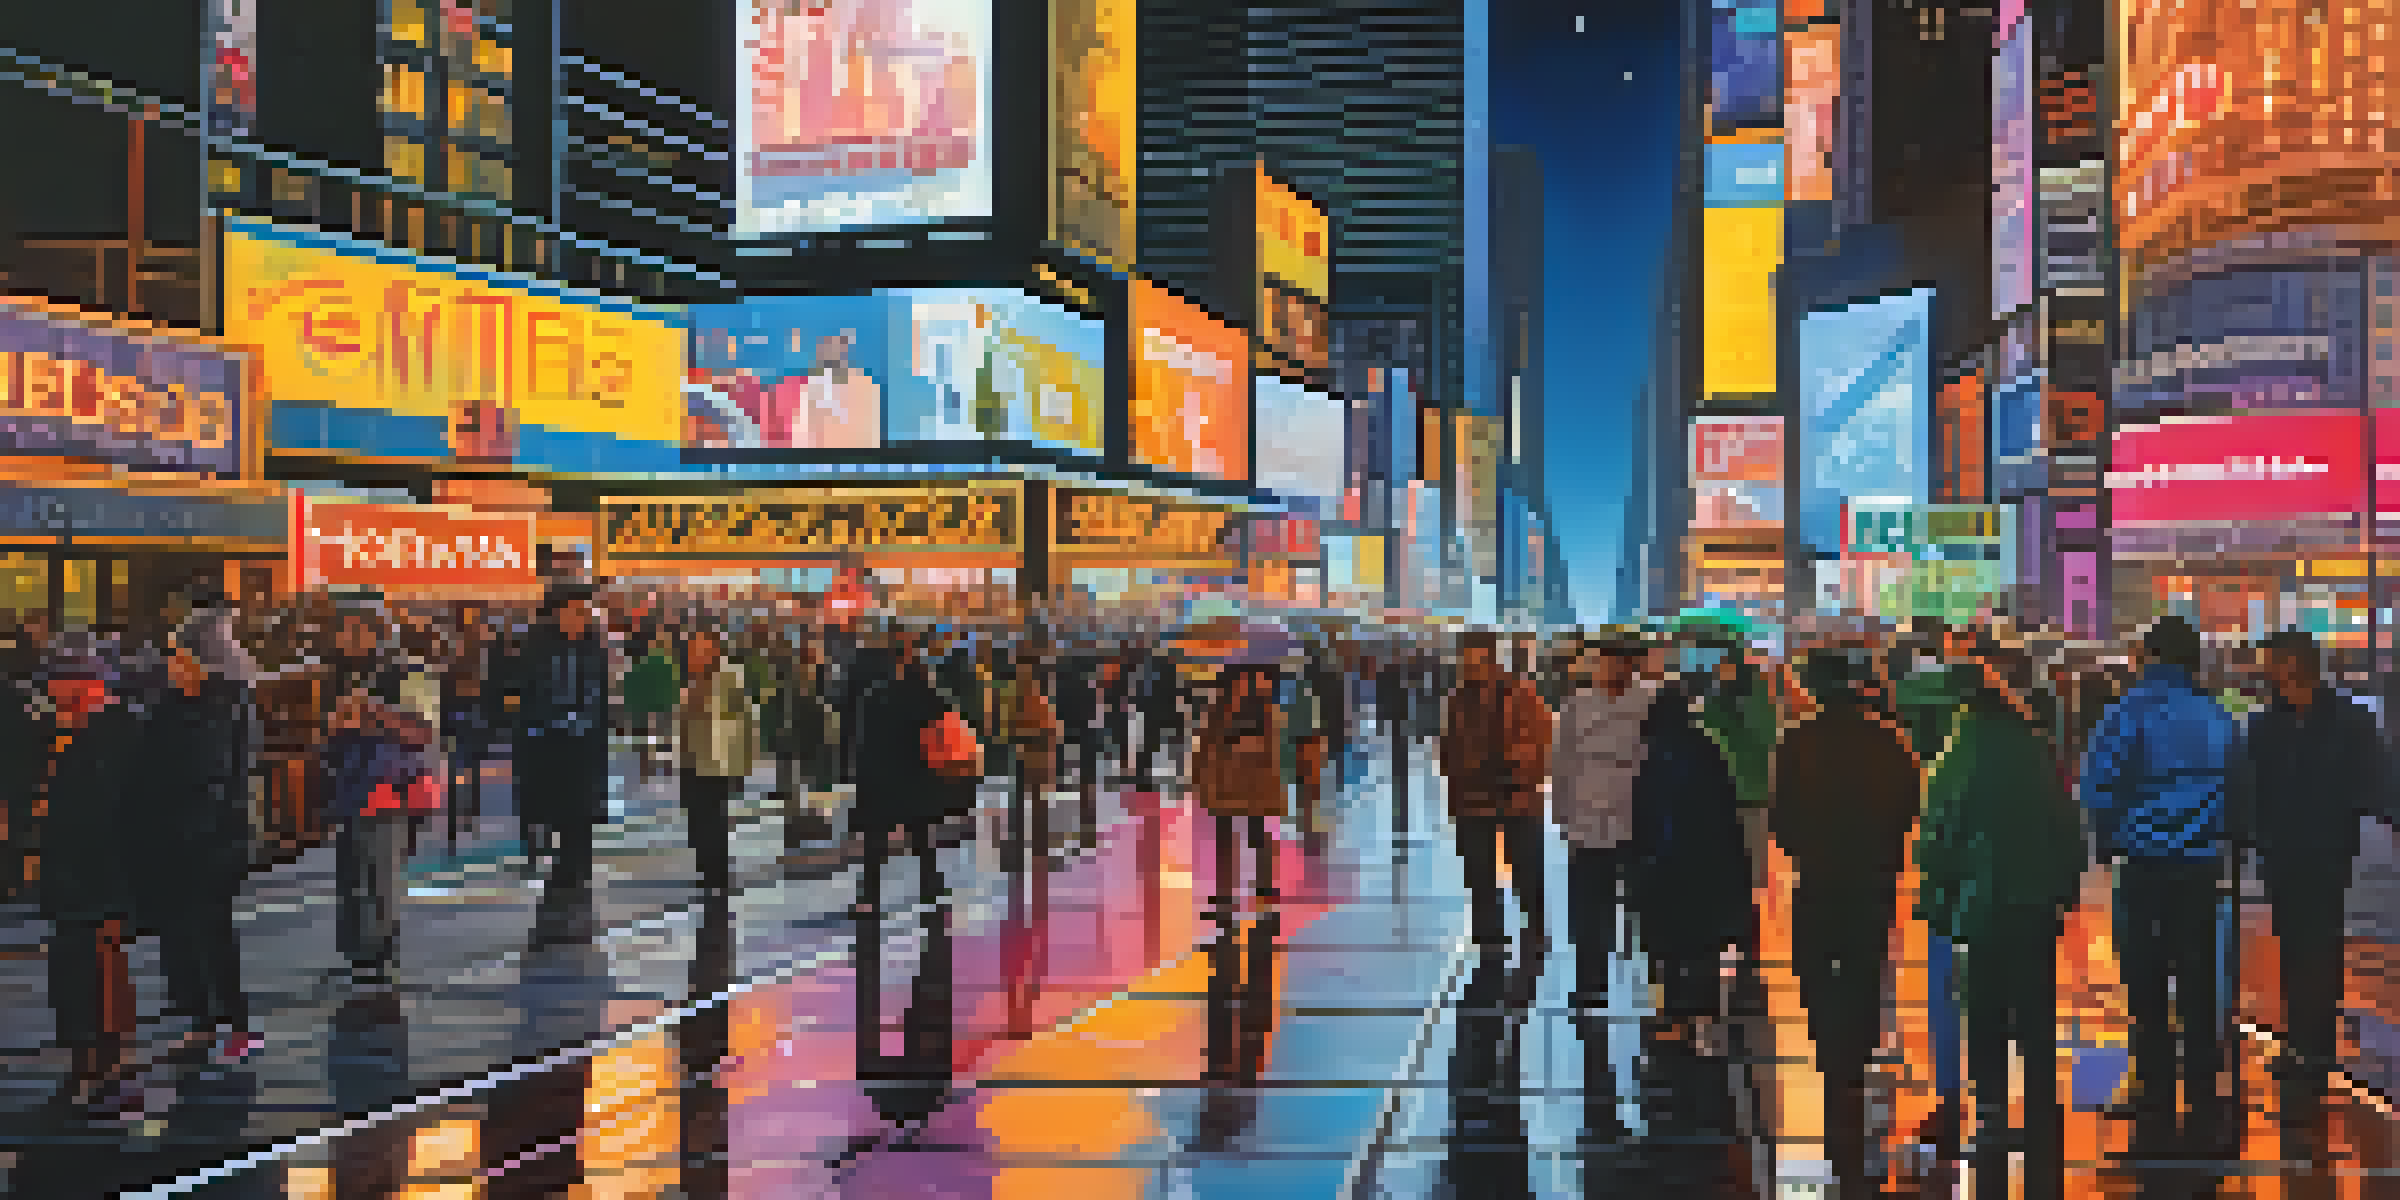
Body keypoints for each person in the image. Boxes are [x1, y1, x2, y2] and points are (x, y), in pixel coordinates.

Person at [1914, 638, 2081, 1186]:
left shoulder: (1959, 754)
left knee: (1983, 1007)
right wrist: (2064, 889)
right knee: (2034, 1006)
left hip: (1981, 901)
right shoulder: (2037, 746)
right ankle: (2039, 1104)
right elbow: (2066, 824)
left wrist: (1935, 900)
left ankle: (1990, 1108)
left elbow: (1941, 835)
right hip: (2036, 900)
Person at [2078, 615, 2241, 1151]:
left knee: (2146, 983)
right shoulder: (2218, 715)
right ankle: (2202, 1087)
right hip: (2200, 867)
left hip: (2144, 867)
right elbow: (2239, 789)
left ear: (2150, 656)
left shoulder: (2127, 712)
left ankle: (2153, 1086)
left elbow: (2097, 787)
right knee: (2198, 981)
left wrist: (2115, 836)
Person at [1769, 649, 1921, 1198]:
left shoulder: (1797, 741)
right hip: (1871, 876)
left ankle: (1828, 1039)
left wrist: (1803, 848)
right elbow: (1909, 807)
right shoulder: (1889, 741)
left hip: (1819, 873)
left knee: (1813, 959)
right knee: (1864, 961)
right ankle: (1854, 1045)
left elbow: (1780, 815)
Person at [2238, 628, 2390, 1161]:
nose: (2266, 672)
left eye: (2272, 663)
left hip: (2327, 858)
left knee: (2317, 955)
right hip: (2282, 860)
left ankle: (2311, 1058)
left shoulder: (2348, 723)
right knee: (2296, 953)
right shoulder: (2264, 726)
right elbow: (2249, 791)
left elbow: (2378, 784)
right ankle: (2303, 1053)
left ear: (2294, 665)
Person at [134, 633, 261, 1066]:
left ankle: (234, 1020)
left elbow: (224, 768)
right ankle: (202, 1017)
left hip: (212, 834)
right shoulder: (165, 709)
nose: (172, 666)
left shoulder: (225, 707)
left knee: (212, 928)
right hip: (174, 833)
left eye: (179, 658)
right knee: (180, 930)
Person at [38, 639, 143, 1113]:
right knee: (79, 967)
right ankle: (92, 1058)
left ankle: (104, 1061)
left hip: (98, 875)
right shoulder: (79, 732)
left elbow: (106, 810)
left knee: (99, 970)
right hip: (78, 875)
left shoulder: (108, 733)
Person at [1629, 642, 1751, 1045]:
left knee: (1668, 948)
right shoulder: (1709, 750)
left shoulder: (1650, 758)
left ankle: (1675, 1016)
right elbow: (1725, 812)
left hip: (1664, 867)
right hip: (1705, 865)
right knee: (1701, 945)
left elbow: (1643, 816)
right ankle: (1702, 1010)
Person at [322, 595, 437, 983]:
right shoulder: (350, 674)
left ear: (374, 633)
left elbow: (422, 732)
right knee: (352, 873)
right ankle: (357, 955)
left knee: (377, 874)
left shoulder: (409, 672)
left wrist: (370, 712)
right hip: (353, 782)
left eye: (351, 629)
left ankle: (377, 958)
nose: (342, 637)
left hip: (392, 787)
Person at [1550, 636, 1652, 1013]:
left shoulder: (1649, 702)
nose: (1615, 669)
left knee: (1642, 906)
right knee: (1588, 910)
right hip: (1587, 824)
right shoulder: (1576, 706)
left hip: (1635, 822)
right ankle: (1590, 983)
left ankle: (1654, 987)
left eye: (1623, 662)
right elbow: (1561, 762)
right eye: (1608, 662)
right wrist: (1563, 817)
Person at [1438, 631, 1554, 954]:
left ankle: (1535, 929)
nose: (1471, 666)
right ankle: (1490, 935)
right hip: (1472, 804)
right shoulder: (1458, 700)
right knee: (1479, 872)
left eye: (1478, 658)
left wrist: (1506, 764)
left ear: (1492, 659)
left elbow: (1542, 746)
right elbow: (1448, 749)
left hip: (1516, 801)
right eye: (1467, 659)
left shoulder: (1522, 695)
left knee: (1527, 870)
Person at [506, 585, 613, 914]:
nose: (583, 618)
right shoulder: (535, 646)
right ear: (559, 612)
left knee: (580, 809)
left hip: (584, 741)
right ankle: (560, 871)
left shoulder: (592, 646)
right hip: (546, 741)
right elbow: (519, 692)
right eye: (578, 611)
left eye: (586, 612)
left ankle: (576, 873)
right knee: (553, 807)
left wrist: (592, 719)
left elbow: (600, 688)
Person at [1194, 665, 1286, 915]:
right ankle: (1252, 889)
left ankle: (1235, 893)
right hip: (1248, 775)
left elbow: (1213, 737)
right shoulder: (1262, 696)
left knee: (1234, 834)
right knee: (1247, 832)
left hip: (1234, 774)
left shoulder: (1239, 697)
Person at [677, 628, 757, 898]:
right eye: (694, 649)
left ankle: (717, 875)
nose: (696, 655)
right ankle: (706, 870)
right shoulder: (690, 681)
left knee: (713, 819)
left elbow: (746, 721)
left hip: (717, 762)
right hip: (691, 760)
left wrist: (743, 764)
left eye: (703, 649)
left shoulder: (729, 679)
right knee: (697, 818)